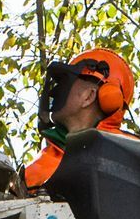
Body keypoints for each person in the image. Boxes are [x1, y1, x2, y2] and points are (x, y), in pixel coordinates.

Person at [25, 48, 133, 188]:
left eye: (66, 82)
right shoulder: (40, 167)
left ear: (89, 96)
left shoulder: (132, 159)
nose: (55, 90)